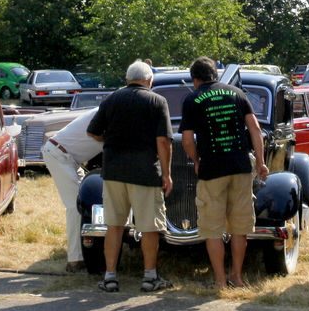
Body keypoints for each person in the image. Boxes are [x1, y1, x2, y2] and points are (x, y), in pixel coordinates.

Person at [180, 57, 269, 288]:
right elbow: (255, 129)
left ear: (195, 79)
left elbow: (187, 139)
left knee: (213, 228)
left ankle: (220, 280)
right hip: (240, 167)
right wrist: (260, 161)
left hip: (212, 169)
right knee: (240, 227)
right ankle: (237, 276)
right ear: (215, 75)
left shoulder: (192, 99)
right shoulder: (237, 94)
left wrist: (196, 160)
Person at [87, 60, 173, 292]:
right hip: (144, 172)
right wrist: (167, 174)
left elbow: (92, 131)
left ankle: (110, 276)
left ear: (127, 79)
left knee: (114, 225)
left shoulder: (112, 99)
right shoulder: (157, 101)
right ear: (149, 80)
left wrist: (110, 141)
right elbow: (163, 141)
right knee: (149, 227)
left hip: (113, 170)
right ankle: (150, 277)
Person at [41, 108, 104, 272]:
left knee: (80, 204)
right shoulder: (108, 112)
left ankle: (82, 254)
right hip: (60, 154)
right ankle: (75, 260)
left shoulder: (107, 109)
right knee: (75, 206)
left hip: (69, 157)